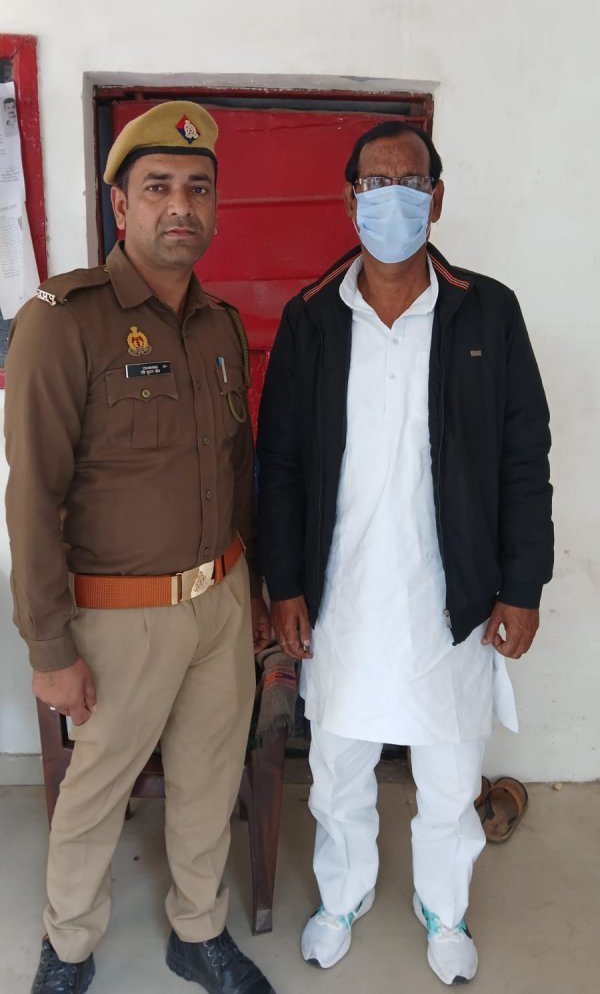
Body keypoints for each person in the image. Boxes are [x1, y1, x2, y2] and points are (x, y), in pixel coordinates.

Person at [257, 120, 553, 986]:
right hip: (343, 595)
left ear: (437, 198)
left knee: (450, 774)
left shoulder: (486, 311)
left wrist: (523, 585)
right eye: (376, 183)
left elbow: (523, 456)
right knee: (337, 770)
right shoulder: (313, 318)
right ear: (350, 200)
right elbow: (280, 463)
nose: (394, 198)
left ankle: (444, 908)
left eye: (412, 183)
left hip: (450, 596)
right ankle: (342, 895)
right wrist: (284, 583)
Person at [5, 101, 276, 994]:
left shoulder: (221, 326)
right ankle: (69, 946)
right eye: (158, 187)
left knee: (208, 778)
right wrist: (50, 649)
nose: (180, 207)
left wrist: (253, 591)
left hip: (219, 603)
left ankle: (198, 931)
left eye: (198, 189)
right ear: (121, 205)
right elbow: (32, 495)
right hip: (120, 620)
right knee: (94, 793)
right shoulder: (63, 319)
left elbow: (236, 469)